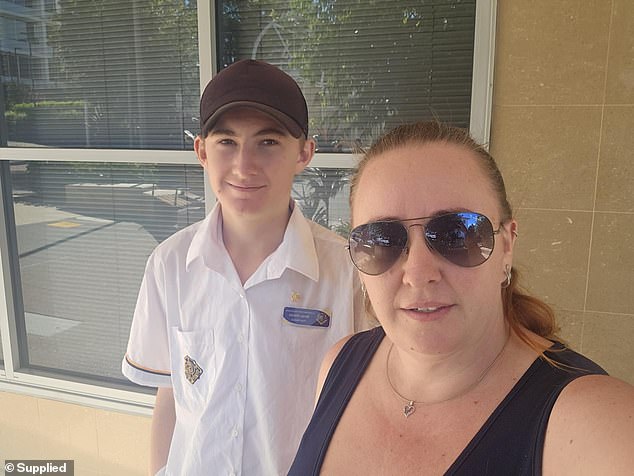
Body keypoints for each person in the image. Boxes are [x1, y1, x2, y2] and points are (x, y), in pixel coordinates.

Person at [289, 121, 634, 475]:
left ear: (506, 246)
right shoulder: (339, 363)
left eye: (456, 233)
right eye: (383, 240)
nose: (419, 272)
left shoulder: (595, 424)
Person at [121, 59, 364, 476]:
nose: (243, 165)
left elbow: (362, 406)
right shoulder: (170, 265)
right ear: (201, 151)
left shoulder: (347, 273)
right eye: (226, 142)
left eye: (268, 142)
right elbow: (170, 395)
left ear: (304, 152)